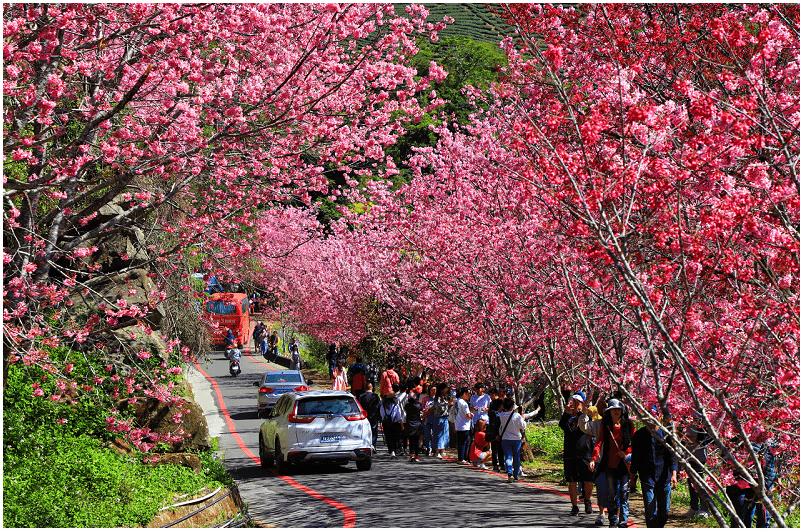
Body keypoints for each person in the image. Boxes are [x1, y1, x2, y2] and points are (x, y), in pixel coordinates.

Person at [631, 404, 678, 528]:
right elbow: (635, 457)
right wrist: (632, 478)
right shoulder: (638, 435)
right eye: (647, 416)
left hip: (664, 476)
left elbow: (672, 455)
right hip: (647, 476)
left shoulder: (666, 434)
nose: (650, 419)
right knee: (650, 510)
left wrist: (674, 474)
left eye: (653, 416)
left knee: (665, 511)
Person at [590, 399, 634, 528]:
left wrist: (626, 452)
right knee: (612, 495)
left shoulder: (629, 425)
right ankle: (613, 519)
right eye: (613, 409)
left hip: (624, 466)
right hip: (609, 465)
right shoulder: (606, 426)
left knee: (624, 493)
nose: (616, 412)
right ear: (609, 412)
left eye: (618, 409)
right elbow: (598, 443)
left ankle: (623, 520)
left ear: (622, 411)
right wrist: (593, 459)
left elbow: (634, 443)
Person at [560, 391, 595, 516]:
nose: (575, 404)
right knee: (572, 481)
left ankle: (588, 500)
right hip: (570, 454)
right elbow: (563, 425)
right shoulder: (567, 418)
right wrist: (566, 412)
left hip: (586, 453)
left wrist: (583, 411)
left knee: (588, 479)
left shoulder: (587, 417)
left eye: (578, 402)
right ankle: (574, 506)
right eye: (573, 401)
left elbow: (589, 428)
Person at [580, 397, 609, 526]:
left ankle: (618, 516)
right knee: (602, 489)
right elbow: (584, 427)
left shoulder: (623, 425)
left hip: (616, 462)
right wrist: (585, 412)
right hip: (600, 462)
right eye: (603, 408)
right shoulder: (597, 424)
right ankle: (602, 513)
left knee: (617, 491)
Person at [498, 397, 527, 482]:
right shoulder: (517, 416)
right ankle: (516, 476)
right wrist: (523, 419)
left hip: (505, 438)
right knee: (516, 457)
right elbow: (523, 426)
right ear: (512, 406)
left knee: (508, 457)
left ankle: (510, 474)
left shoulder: (501, 415)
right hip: (516, 439)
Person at [433, 383, 454, 459]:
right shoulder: (438, 398)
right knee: (439, 435)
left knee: (445, 435)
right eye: (445, 389)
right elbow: (440, 409)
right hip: (439, 418)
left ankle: (443, 451)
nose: (446, 390)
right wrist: (448, 404)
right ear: (441, 389)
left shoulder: (444, 397)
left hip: (445, 418)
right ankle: (437, 451)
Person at [454, 387, 474, 464]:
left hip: (458, 424)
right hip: (464, 425)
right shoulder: (464, 403)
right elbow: (467, 415)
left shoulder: (457, 401)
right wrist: (471, 414)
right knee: (464, 443)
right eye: (469, 394)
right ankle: (462, 458)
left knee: (460, 443)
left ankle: (460, 457)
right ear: (465, 394)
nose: (469, 396)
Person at [380, 389, 403, 458]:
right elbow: (399, 417)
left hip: (386, 424)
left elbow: (382, 415)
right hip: (394, 424)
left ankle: (391, 451)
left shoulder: (383, 406)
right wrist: (401, 424)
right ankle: (395, 450)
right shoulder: (396, 406)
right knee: (395, 437)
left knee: (388, 438)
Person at [359, 383, 382, 449]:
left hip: (365, 417)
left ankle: (366, 444)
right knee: (374, 431)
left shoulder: (362, 396)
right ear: (372, 388)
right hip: (374, 416)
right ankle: (373, 445)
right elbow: (379, 406)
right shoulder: (376, 396)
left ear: (365, 388)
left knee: (365, 431)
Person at [488, 387, 505, 472]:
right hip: (496, 432)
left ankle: (500, 464)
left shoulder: (498, 412)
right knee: (496, 448)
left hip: (497, 431)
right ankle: (497, 465)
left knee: (499, 449)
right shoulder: (495, 414)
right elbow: (494, 424)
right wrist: (496, 434)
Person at [404, 393, 424, 462]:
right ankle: (416, 455)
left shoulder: (407, 406)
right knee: (416, 440)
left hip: (409, 424)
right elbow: (421, 408)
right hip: (417, 424)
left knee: (411, 440)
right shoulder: (418, 405)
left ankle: (412, 454)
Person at [420, 384, 436, 456]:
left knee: (434, 435)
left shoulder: (438, 399)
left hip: (435, 419)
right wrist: (427, 410)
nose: (434, 391)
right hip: (426, 418)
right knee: (427, 435)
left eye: (435, 390)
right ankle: (428, 448)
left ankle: (434, 448)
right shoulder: (425, 399)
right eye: (432, 390)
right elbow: (422, 409)